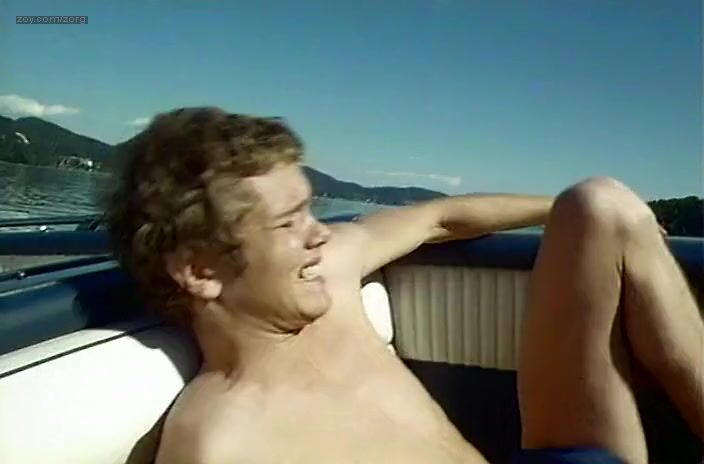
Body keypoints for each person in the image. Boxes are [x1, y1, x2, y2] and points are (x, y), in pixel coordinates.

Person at [107, 107, 703, 464]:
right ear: (201, 271)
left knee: (601, 204)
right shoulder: (221, 445)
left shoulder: (331, 268)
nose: (320, 233)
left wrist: (567, 211)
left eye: (309, 208)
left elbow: (442, 217)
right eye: (288, 223)